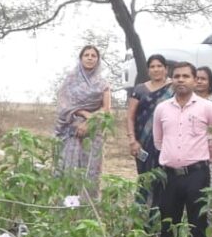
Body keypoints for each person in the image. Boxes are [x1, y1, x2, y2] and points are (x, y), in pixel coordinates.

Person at [152, 62, 212, 237]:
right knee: (168, 222)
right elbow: (158, 141)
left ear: (194, 80)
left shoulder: (207, 108)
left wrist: (202, 155)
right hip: (169, 175)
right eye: (176, 76)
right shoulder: (162, 108)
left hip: (197, 174)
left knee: (198, 223)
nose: (181, 80)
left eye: (186, 76)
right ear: (171, 80)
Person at [54, 45, 112, 200]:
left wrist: (89, 121)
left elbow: (106, 109)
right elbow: (64, 105)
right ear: (80, 58)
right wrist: (83, 113)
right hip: (70, 128)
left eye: (94, 55)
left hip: (93, 130)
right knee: (68, 168)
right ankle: (65, 204)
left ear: (98, 60)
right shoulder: (70, 80)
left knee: (90, 168)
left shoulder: (103, 84)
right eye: (86, 55)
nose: (90, 58)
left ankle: (87, 205)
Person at [126, 54, 173, 207]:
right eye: (152, 67)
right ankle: (140, 214)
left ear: (166, 69)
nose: (156, 69)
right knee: (144, 178)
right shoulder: (140, 89)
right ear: (148, 70)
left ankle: (159, 215)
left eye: (159, 66)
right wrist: (132, 140)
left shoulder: (173, 88)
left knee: (164, 179)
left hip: (167, 143)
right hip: (143, 142)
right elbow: (130, 117)